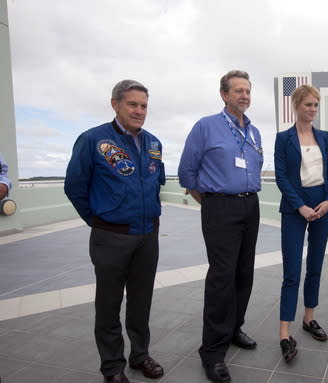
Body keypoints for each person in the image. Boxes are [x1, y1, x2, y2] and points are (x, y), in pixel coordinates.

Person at [64, 80, 165, 383]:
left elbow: (156, 184)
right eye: (132, 104)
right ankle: (112, 367)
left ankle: (140, 356)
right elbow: (74, 186)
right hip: (111, 237)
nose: (139, 111)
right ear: (115, 104)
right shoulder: (92, 140)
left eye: (144, 105)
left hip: (147, 236)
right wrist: (98, 221)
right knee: (108, 305)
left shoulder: (154, 143)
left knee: (141, 301)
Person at [178, 70, 263, 383]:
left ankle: (233, 328)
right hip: (220, 207)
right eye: (238, 91)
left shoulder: (253, 132)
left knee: (244, 273)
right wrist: (212, 202)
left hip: (249, 205)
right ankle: (212, 351)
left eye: (248, 91)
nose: (244, 96)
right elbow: (187, 172)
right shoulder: (206, 126)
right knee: (222, 277)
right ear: (224, 95)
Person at [274, 84, 328, 362]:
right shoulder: (283, 138)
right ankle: (284, 334)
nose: (312, 110)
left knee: (315, 266)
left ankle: (309, 319)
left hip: (322, 205)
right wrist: (299, 205)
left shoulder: (324, 137)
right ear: (296, 106)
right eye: (308, 105)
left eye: (315, 105)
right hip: (294, 207)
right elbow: (281, 176)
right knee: (292, 271)